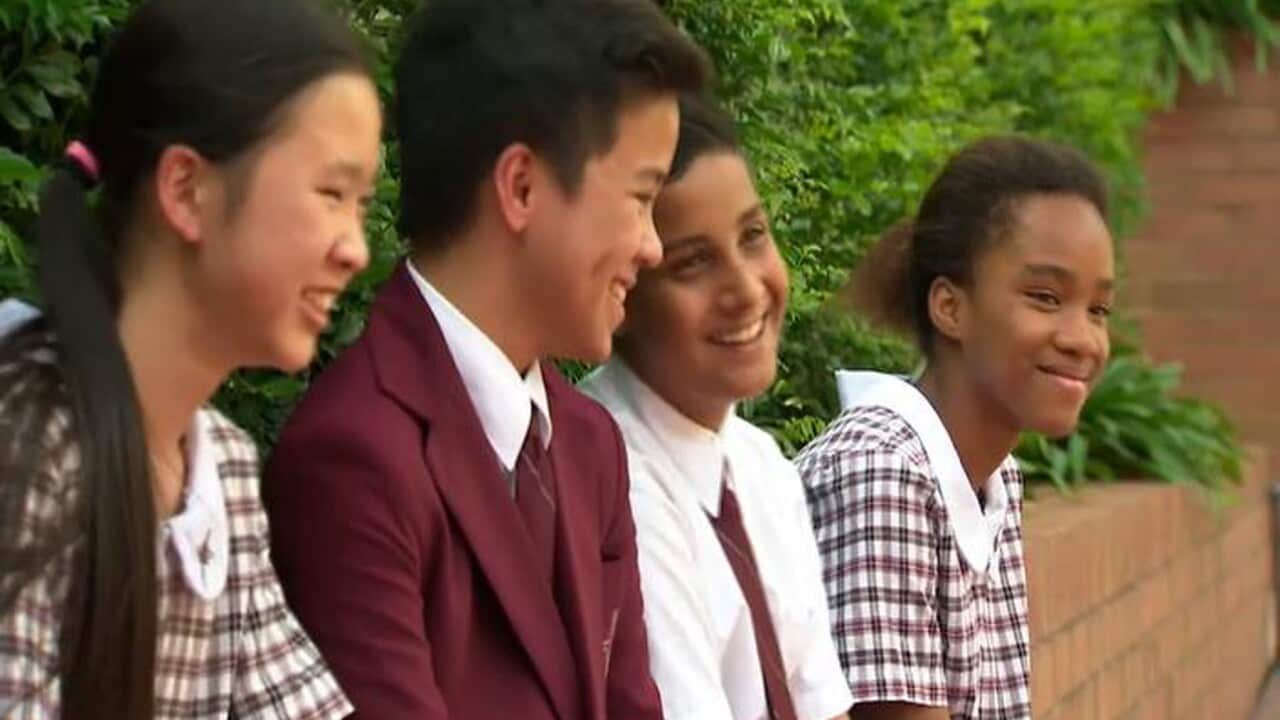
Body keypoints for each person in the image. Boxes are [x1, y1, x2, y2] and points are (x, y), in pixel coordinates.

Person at [263, 1, 711, 718]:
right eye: (640, 198)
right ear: (521, 187)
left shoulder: (590, 446)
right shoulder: (352, 457)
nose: (652, 246)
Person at [0, 0, 381, 717]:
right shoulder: (23, 439)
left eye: (362, 205)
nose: (356, 250)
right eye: (332, 193)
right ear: (186, 189)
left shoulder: (223, 473)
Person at [796, 136, 1115, 720]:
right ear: (950, 307)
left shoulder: (995, 477)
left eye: (1097, 309)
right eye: (1046, 297)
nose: (1083, 340)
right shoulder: (881, 470)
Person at [580, 94, 853, 720]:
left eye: (753, 236)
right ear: (623, 287)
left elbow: (822, 704)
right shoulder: (611, 481)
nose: (746, 289)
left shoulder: (761, 466)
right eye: (694, 263)